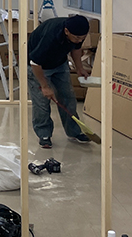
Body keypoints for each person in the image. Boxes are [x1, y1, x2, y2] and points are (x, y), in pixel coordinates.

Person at [27, 14, 91, 149]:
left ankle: (74, 132)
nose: (79, 40)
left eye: (82, 38)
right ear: (66, 31)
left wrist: (79, 68)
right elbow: (35, 63)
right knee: (42, 103)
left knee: (68, 98)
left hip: (60, 64)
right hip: (38, 67)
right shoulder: (50, 37)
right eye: (77, 38)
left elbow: (76, 49)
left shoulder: (77, 32)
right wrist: (45, 86)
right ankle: (44, 134)